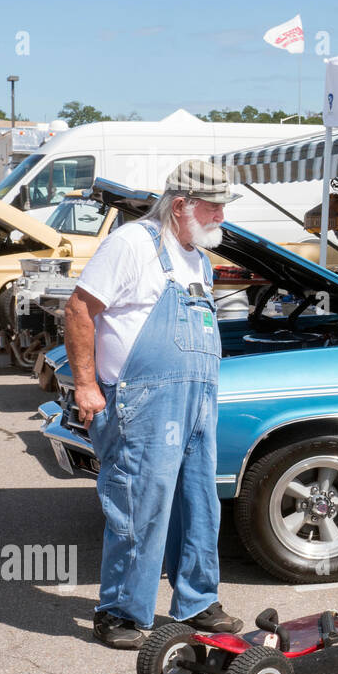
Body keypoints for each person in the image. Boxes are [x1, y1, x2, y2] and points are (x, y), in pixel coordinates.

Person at [64, 160, 243, 649]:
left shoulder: (200, 261)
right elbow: (79, 309)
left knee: (198, 504)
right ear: (181, 205)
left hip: (196, 401)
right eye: (214, 207)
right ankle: (120, 612)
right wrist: (86, 385)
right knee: (139, 505)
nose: (221, 216)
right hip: (141, 402)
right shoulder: (132, 245)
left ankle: (198, 601)